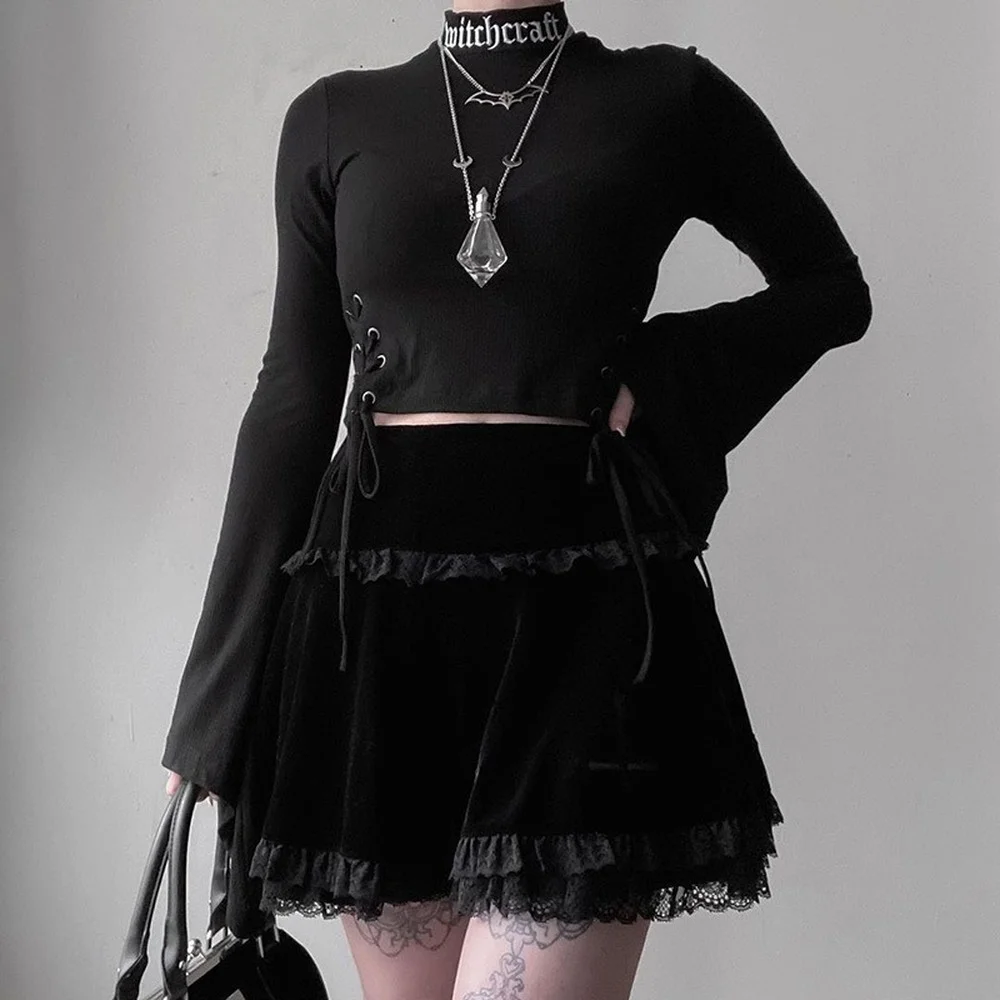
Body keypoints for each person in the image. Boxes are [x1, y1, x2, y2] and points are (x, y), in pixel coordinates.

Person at [161, 1, 873, 997]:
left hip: (585, 625)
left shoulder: (667, 97)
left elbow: (830, 287)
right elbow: (291, 398)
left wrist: (665, 374)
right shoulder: (332, 118)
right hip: (376, 642)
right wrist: (213, 711)